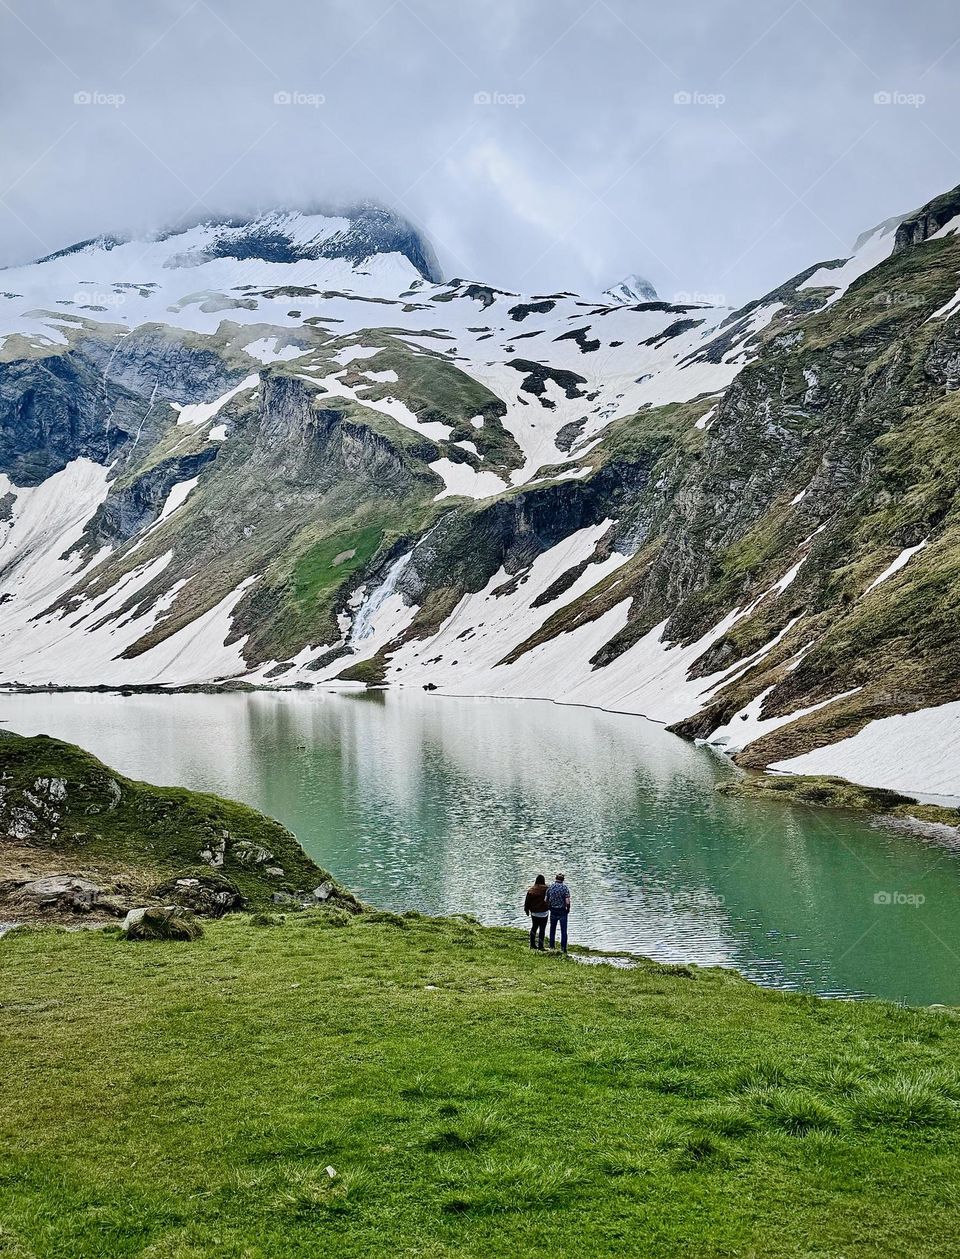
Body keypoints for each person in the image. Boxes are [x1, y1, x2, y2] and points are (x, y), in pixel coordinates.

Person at [546, 873, 571, 953]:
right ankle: (563, 948)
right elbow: (567, 901)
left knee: (552, 930)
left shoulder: (551, 887)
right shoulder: (564, 888)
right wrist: (568, 908)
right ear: (563, 879)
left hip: (553, 910)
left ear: (555, 878)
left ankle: (552, 947)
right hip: (562, 911)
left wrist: (549, 906)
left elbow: (546, 900)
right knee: (564, 931)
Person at [523, 874, 549, 950]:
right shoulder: (547, 889)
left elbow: (527, 902)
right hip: (544, 912)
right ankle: (541, 946)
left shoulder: (531, 890)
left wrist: (526, 910)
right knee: (542, 929)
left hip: (534, 913)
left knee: (534, 928)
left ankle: (532, 944)